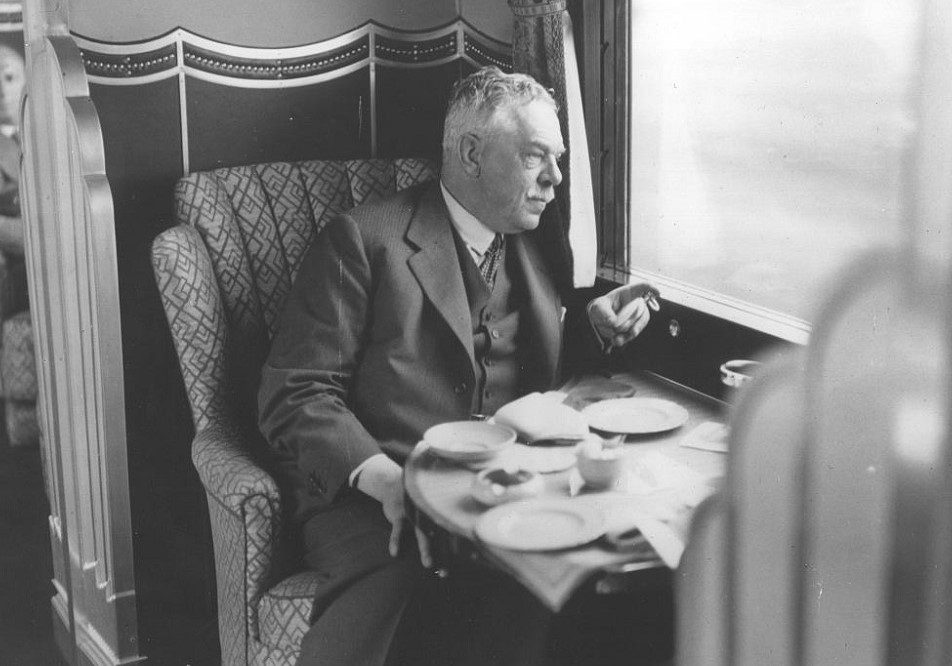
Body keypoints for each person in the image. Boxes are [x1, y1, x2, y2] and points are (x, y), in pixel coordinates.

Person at [258, 66, 659, 665]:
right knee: (440, 611)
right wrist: (387, 480)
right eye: (535, 157)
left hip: (508, 487)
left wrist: (592, 328)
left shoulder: (535, 242)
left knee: (610, 588)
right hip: (379, 497)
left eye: (558, 159)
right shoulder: (363, 241)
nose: (554, 180)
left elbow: (528, 366)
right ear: (471, 153)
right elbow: (297, 392)